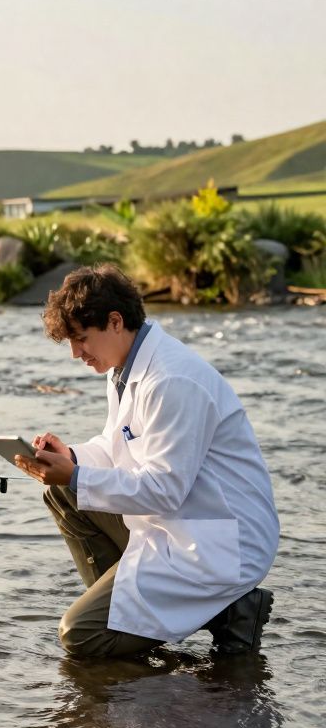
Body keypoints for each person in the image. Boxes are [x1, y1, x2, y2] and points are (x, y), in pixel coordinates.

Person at [16, 264, 278, 657]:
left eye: (81, 339)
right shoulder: (123, 367)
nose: (75, 354)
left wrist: (76, 476)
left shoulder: (172, 380)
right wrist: (71, 459)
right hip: (178, 521)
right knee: (63, 493)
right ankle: (132, 617)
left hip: (218, 542)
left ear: (115, 321)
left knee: (80, 636)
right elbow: (116, 445)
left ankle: (225, 611)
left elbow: (165, 490)